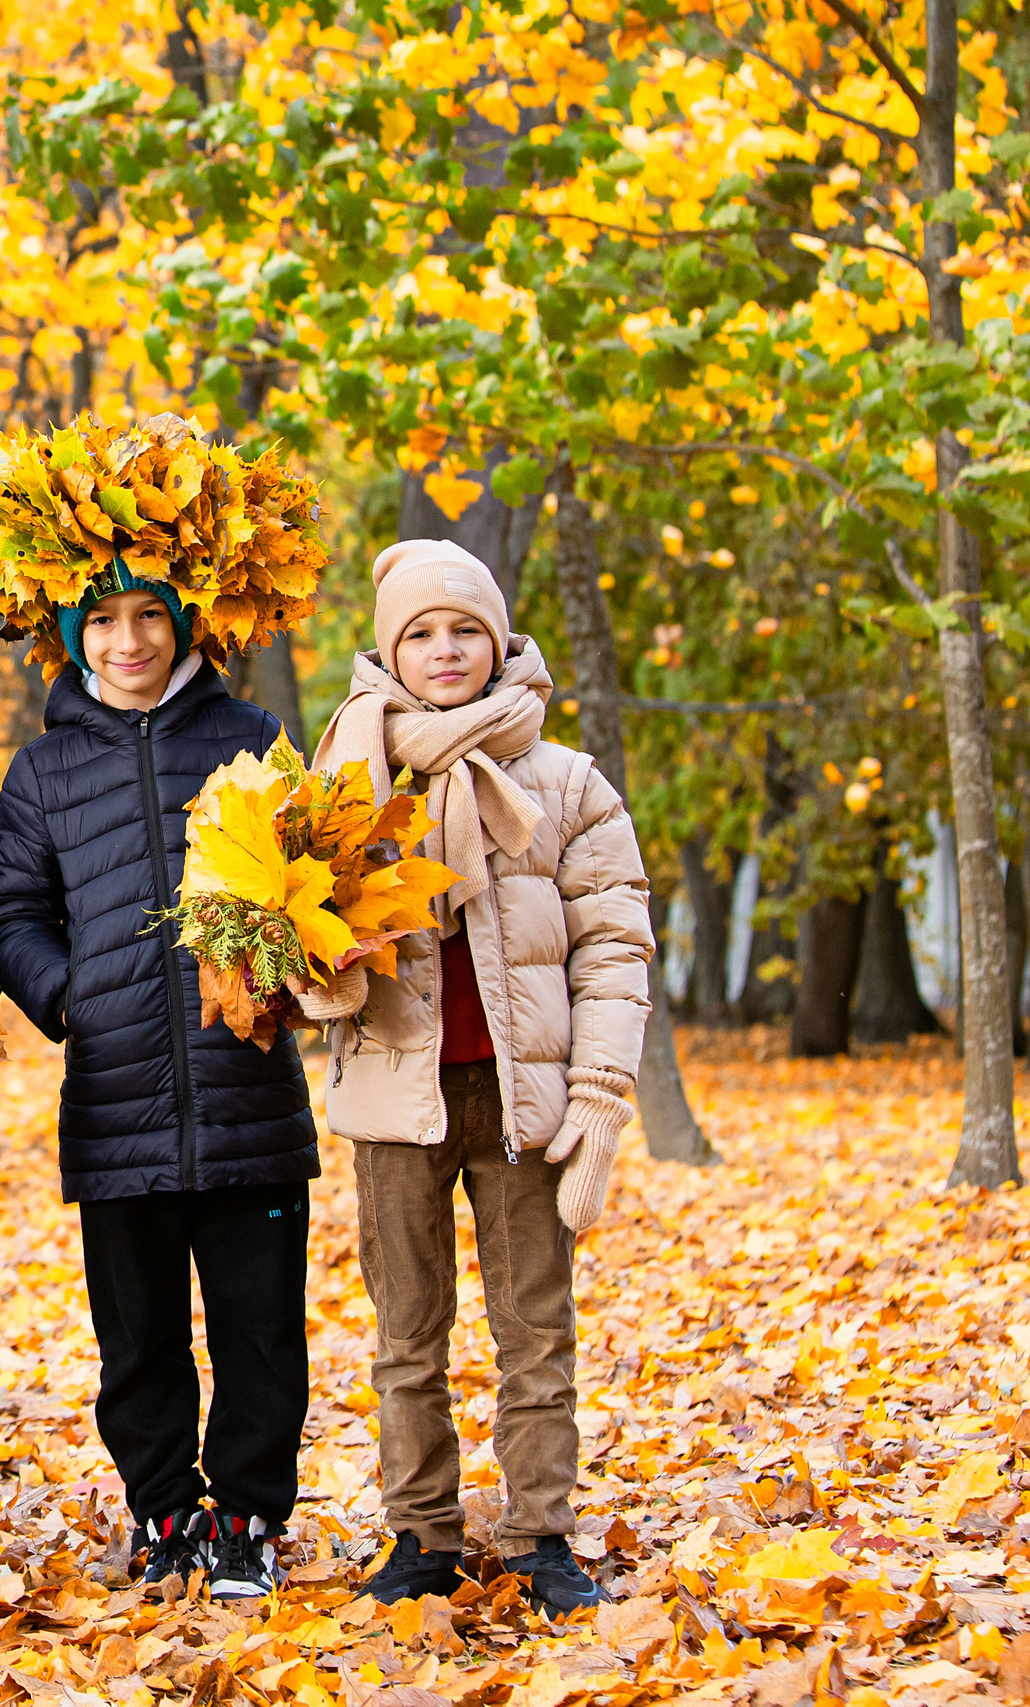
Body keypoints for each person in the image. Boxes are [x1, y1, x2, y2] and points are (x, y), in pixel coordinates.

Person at [301, 539, 650, 1615]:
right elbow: (297, 939)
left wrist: (599, 1093)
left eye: (466, 630)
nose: (445, 649)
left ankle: (541, 1536)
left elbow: (613, 945)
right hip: (394, 1098)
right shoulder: (348, 778)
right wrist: (314, 972)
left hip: (519, 1098)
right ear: (389, 651)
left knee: (535, 1331)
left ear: (499, 644)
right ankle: (421, 1536)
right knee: (407, 1336)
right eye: (421, 633)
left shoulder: (564, 781)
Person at [0, 568, 318, 1600]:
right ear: (71, 635)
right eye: (102, 621)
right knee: (138, 1338)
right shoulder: (42, 770)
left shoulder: (252, 738)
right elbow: (14, 914)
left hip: (247, 1090)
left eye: (148, 618)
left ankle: (249, 1518)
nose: (128, 641)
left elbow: (314, 875)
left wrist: (281, 973)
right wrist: (73, 995)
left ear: (182, 626)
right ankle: (167, 1511)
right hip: (115, 1096)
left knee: (261, 1327)